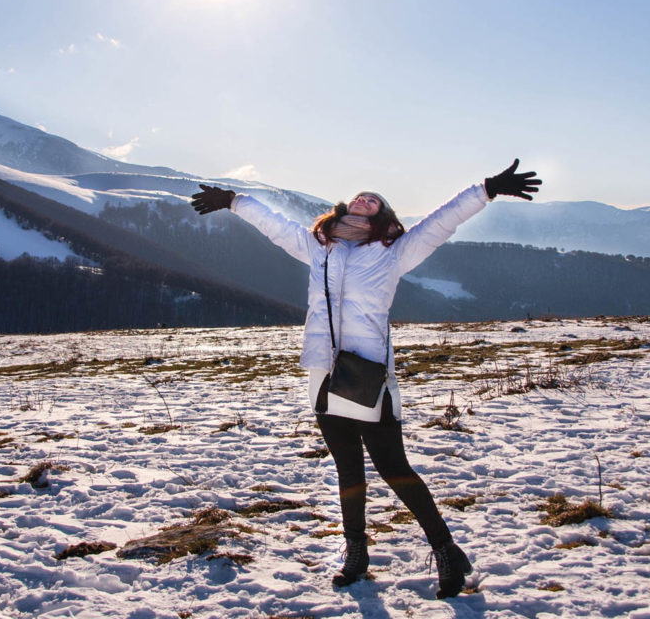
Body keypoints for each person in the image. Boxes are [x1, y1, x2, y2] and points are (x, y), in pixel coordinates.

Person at [191, 159, 542, 599]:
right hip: (324, 372)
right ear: (344, 207)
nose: (364, 198)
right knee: (347, 468)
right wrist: (235, 201)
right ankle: (357, 552)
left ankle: (447, 550)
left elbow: (440, 222)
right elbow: (276, 226)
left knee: (394, 468)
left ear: (384, 216)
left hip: (369, 375)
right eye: (360, 195)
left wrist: (486, 189)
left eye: (374, 200)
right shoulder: (320, 247)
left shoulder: (393, 253)